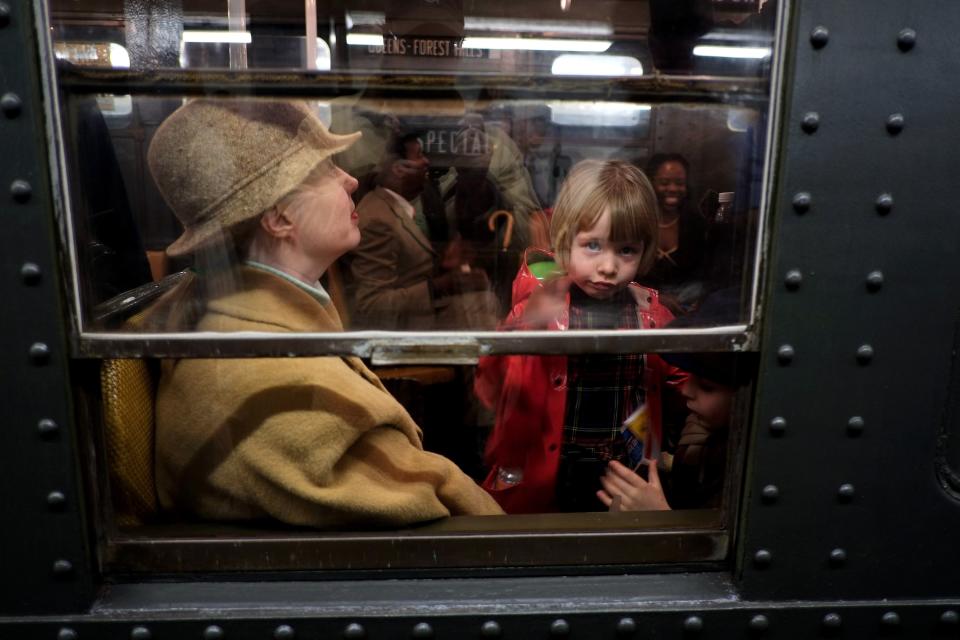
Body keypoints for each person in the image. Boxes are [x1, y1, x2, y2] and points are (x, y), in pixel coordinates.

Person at [142, 98, 503, 528]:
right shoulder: (262, 377)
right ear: (279, 218)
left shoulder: (251, 328)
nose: (350, 179)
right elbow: (426, 504)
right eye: (326, 170)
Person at [474, 159, 686, 514]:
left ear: (645, 249)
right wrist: (521, 331)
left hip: (623, 474)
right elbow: (490, 390)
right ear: (565, 241)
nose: (607, 266)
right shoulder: (538, 310)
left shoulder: (650, 315)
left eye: (626, 250)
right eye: (593, 246)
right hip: (548, 471)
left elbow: (683, 385)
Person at [596, 289, 757, 511]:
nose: (686, 390)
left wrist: (657, 516)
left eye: (707, 387)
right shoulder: (701, 433)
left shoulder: (753, 468)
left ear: (750, 395)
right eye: (690, 375)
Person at [345, 132, 495, 330]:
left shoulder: (392, 207)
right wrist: (442, 286)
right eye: (419, 155)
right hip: (412, 330)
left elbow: (407, 270)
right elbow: (372, 305)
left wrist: (444, 264)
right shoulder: (378, 222)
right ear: (399, 169)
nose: (426, 161)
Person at [643, 153, 708, 315]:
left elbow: (705, 275)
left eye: (679, 183)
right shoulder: (637, 221)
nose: (672, 189)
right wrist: (657, 297)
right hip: (641, 298)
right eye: (664, 183)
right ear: (651, 184)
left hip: (686, 300)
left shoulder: (696, 223)